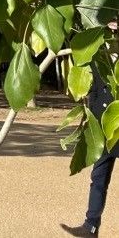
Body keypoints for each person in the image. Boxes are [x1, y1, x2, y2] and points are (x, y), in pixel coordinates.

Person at [62, 23, 118, 237]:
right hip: (102, 128)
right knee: (98, 178)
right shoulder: (96, 59)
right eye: (110, 31)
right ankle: (90, 226)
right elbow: (93, 92)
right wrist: (90, 120)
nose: (112, 35)